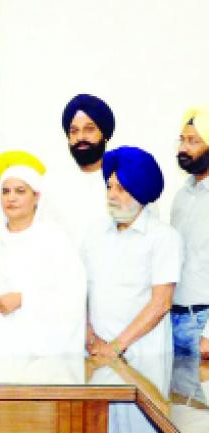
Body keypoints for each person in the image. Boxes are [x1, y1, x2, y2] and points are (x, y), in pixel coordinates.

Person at [0, 150, 86, 355]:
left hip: (41, 352)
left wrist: (23, 300)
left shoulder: (55, 238)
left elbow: (72, 297)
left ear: (36, 196)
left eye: (20, 191)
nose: (11, 198)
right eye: (6, 191)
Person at [83, 145, 182, 358]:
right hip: (96, 353)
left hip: (144, 355)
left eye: (121, 189)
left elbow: (161, 303)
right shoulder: (94, 232)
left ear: (139, 193)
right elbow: (81, 289)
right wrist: (89, 335)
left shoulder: (164, 237)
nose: (112, 195)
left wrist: (116, 346)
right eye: (109, 187)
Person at [50, 94, 116, 246]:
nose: (80, 137)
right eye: (74, 131)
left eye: (89, 129)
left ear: (104, 134)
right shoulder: (53, 183)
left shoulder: (126, 181)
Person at [171, 106, 209, 357]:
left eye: (193, 141)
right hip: (174, 322)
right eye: (182, 140)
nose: (183, 148)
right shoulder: (182, 196)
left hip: (202, 324)